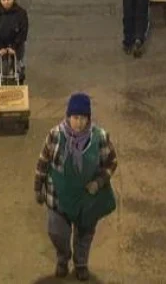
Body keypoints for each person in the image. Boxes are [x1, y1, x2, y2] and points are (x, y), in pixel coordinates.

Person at [35, 93, 117, 281]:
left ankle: (81, 263)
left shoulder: (100, 137)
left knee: (85, 234)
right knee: (57, 233)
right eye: (75, 117)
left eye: (83, 118)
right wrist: (38, 188)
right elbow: (42, 163)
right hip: (58, 198)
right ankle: (62, 259)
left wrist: (99, 182)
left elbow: (111, 162)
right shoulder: (55, 136)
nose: (78, 123)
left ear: (88, 118)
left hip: (87, 200)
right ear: (68, 116)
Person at [0, 0, 28, 83]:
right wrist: (0, 46)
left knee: (17, 65)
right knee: (3, 67)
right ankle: (1, 82)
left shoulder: (21, 13)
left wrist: (14, 46)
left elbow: (23, 31)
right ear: (0, 0)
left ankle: (19, 80)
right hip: (0, 45)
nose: (6, 2)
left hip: (17, 45)